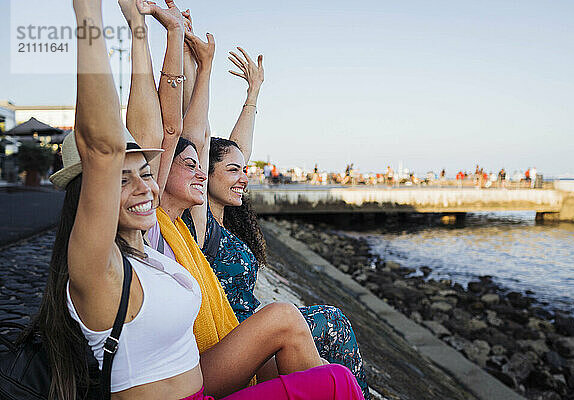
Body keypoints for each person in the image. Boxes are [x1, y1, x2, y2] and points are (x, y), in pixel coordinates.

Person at [33, 1, 363, 399]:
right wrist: (92, 13)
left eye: (145, 173)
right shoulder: (99, 266)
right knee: (329, 374)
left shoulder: (150, 246)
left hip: (202, 385)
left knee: (329, 371)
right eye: (122, 180)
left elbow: (173, 131)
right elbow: (121, 143)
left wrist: (159, 34)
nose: (144, 186)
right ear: (93, 193)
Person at [170, 32, 370, 397]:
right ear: (204, 172)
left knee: (328, 329)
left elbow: (235, 150)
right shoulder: (198, 219)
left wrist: (253, 92)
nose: (243, 177)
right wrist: (194, 67)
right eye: (232, 171)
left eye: (243, 170)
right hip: (234, 338)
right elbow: (197, 137)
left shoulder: (221, 219)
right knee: (332, 322)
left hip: (249, 330)